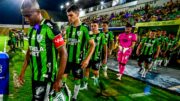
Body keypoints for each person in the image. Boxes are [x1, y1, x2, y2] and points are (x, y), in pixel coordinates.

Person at [18, 0, 67, 100]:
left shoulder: (51, 27)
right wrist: (22, 72)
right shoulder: (33, 29)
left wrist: (59, 79)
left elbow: (63, 53)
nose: (26, 19)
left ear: (38, 12)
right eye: (24, 16)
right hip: (35, 76)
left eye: (28, 15)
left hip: (46, 77)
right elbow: (30, 50)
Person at [63, 5, 95, 101]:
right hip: (67, 60)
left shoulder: (85, 28)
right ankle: (65, 95)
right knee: (63, 78)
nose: (69, 18)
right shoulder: (68, 28)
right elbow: (66, 43)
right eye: (68, 16)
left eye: (71, 15)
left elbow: (93, 45)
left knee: (77, 80)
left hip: (79, 61)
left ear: (77, 14)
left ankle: (74, 97)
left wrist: (87, 59)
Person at [81, 21, 107, 89]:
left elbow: (104, 47)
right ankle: (85, 84)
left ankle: (96, 80)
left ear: (98, 26)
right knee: (86, 70)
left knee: (95, 72)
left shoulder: (101, 35)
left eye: (95, 26)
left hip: (96, 57)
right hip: (87, 57)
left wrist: (105, 57)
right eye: (92, 26)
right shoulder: (88, 34)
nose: (93, 27)